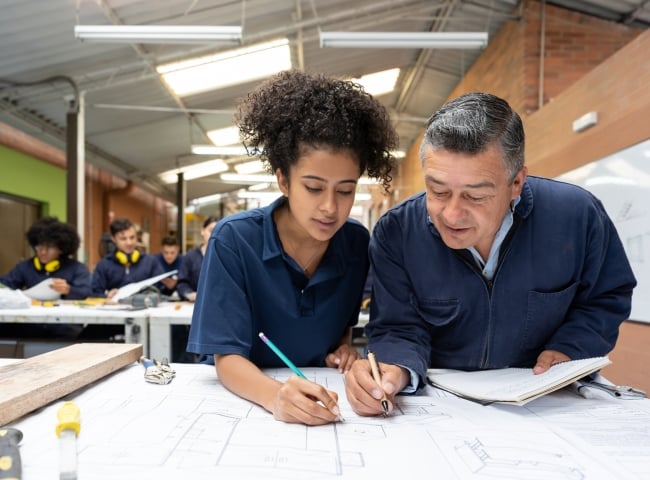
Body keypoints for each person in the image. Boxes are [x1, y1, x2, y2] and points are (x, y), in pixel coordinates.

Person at [344, 92, 637, 417]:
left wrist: (571, 347)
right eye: (438, 191)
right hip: (441, 411)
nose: (452, 214)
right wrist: (395, 370)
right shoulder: (397, 233)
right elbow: (397, 326)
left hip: (549, 403)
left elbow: (606, 295)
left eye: (475, 196)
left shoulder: (577, 217)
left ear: (516, 183)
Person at [187, 69, 397, 425]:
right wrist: (275, 395)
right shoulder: (234, 240)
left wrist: (343, 350)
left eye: (345, 190)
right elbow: (226, 359)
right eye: (314, 188)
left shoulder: (356, 242)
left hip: (321, 396)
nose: (331, 207)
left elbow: (339, 329)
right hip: (244, 404)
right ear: (283, 179)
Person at [0, 216, 91, 300]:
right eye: (39, 247)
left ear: (61, 249)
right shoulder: (25, 267)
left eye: (49, 247)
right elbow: (4, 285)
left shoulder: (77, 268)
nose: (43, 252)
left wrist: (69, 290)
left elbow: (87, 292)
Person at [91, 217, 164, 299]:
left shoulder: (150, 262)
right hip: (115, 309)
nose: (129, 243)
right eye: (123, 239)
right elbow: (94, 293)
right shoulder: (104, 264)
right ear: (113, 239)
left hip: (146, 308)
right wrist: (106, 296)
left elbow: (163, 290)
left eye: (132, 237)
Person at [176, 216, 218, 302]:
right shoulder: (190, 256)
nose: (214, 234)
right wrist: (189, 294)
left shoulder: (226, 256)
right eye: (211, 230)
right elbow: (181, 283)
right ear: (202, 231)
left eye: (218, 232)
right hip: (194, 305)